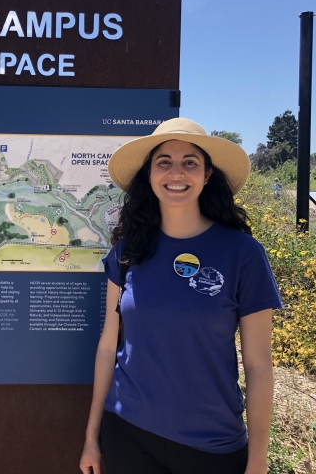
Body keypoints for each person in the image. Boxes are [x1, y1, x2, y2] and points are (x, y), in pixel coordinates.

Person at [79, 118, 282, 474]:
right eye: (164, 162)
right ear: (150, 176)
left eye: (190, 162)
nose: (177, 172)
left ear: (206, 176)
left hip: (212, 445)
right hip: (128, 434)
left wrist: (258, 460)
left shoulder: (243, 254)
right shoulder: (127, 252)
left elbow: (259, 365)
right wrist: (92, 437)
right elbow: (109, 347)